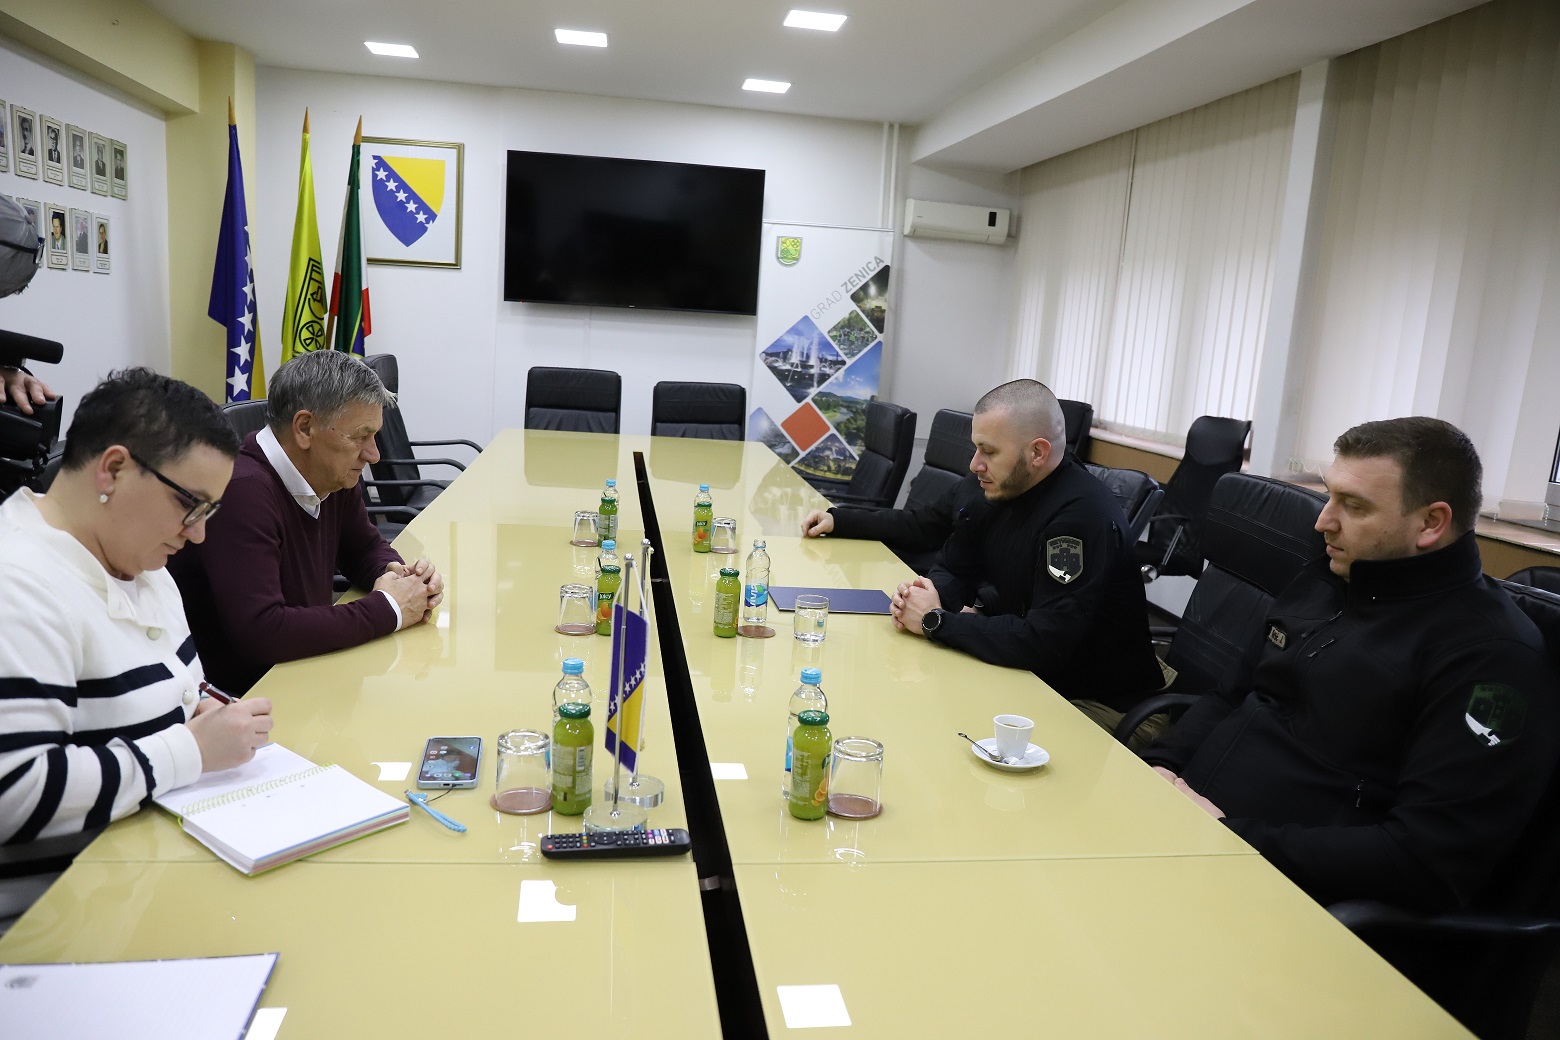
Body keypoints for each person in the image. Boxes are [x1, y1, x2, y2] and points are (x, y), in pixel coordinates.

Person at [1143, 417, 1560, 911]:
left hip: (1284, 898)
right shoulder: (1327, 579)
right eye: (1330, 496)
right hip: (1188, 843)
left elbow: (1424, 859)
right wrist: (1158, 767)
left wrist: (1229, 838)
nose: (1323, 521)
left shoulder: (1490, 657)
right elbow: (1229, 695)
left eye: (1354, 506)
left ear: (1431, 523)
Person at [0, 369, 274, 918]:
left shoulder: (143, 564)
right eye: (190, 504)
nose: (197, 532)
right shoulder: (18, 584)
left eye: (209, 512)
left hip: (152, 874)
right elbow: (15, 791)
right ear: (114, 469)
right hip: (61, 918)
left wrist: (206, 710)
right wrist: (190, 750)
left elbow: (173, 689)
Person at [890, 379, 1165, 736]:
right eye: (976, 448)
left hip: (1101, 701)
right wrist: (926, 596)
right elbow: (955, 566)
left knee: (954, 734)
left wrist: (937, 622)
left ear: (1037, 453)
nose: (974, 464)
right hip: (1042, 674)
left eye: (989, 452)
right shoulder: (1006, 487)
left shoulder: (1078, 520)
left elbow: (1043, 642)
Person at [169, 350, 444, 694]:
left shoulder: (331, 473)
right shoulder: (241, 491)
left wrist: (397, 575)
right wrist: (390, 608)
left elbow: (363, 548)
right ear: (304, 428)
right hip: (250, 696)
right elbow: (263, 632)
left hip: (308, 672)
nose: (373, 454)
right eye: (360, 436)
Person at [800, 472, 982, 574]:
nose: (974, 464)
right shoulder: (973, 483)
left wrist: (975, 607)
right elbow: (917, 525)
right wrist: (838, 521)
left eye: (988, 451)